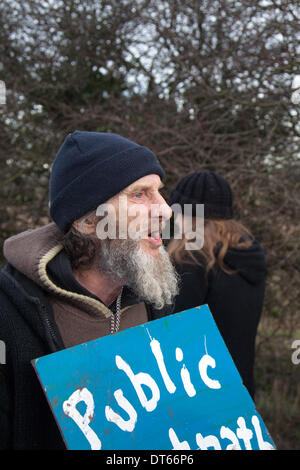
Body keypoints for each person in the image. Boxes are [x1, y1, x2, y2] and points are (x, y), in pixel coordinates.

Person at [0, 131, 179, 449]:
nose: (165, 210)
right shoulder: (8, 312)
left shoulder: (156, 302)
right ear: (87, 221)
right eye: (140, 194)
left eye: (159, 192)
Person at [167, 171, 266, 400]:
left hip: (197, 391)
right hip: (239, 388)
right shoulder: (249, 256)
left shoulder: (192, 260)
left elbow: (175, 337)